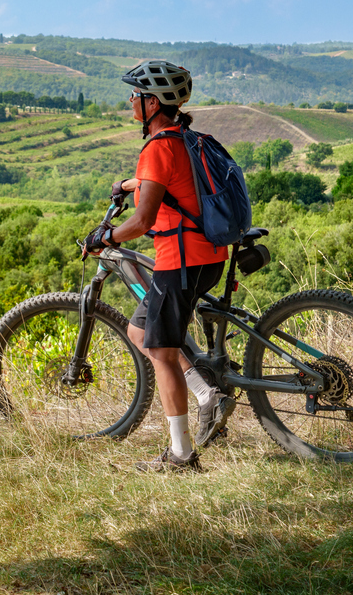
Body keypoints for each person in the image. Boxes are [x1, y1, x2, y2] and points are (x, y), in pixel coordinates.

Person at [87, 60, 233, 472]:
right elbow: (172, 182)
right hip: (206, 255)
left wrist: (106, 237)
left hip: (181, 261)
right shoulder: (183, 138)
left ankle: (182, 456)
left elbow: (142, 221)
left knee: (160, 351)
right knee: (140, 331)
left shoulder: (156, 148)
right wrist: (131, 184)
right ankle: (207, 393)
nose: (131, 101)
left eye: (135, 95)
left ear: (152, 102)